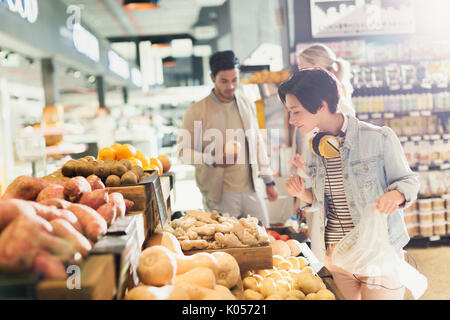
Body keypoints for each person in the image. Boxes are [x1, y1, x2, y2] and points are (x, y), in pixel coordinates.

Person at [280, 68, 419, 300]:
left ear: (321, 105)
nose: (292, 120)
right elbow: (323, 199)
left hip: (376, 251)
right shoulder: (314, 146)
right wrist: (302, 193)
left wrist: (396, 196)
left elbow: (409, 181)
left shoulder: (379, 138)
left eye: (296, 112)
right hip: (336, 253)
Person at [177, 50, 278, 227]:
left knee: (264, 238)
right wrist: (210, 159)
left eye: (234, 80)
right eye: (224, 81)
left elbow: (256, 143)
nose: (230, 86)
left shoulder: (246, 104)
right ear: (212, 77)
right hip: (219, 195)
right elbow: (182, 152)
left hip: (252, 190)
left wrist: (269, 181)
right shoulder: (196, 111)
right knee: (225, 245)